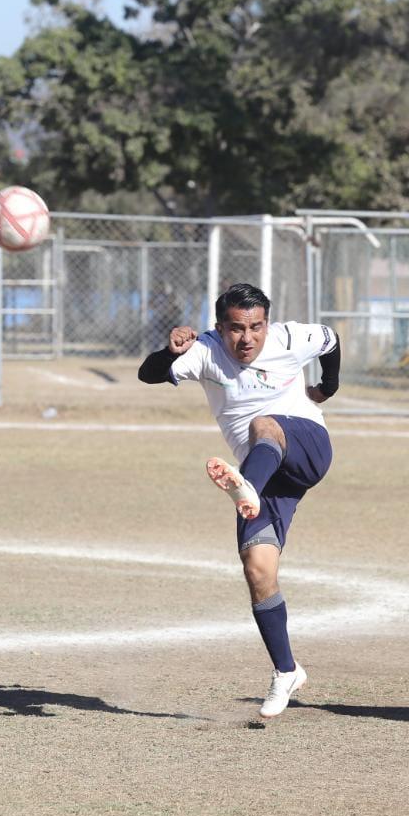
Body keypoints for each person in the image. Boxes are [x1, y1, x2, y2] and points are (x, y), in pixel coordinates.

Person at [138, 283, 341, 719]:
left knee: (264, 424)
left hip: (306, 445)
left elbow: (331, 339)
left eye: (256, 326)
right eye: (236, 328)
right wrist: (170, 353)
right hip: (261, 474)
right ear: (219, 327)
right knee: (258, 569)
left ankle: (246, 485)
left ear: (268, 322)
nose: (247, 338)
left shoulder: (289, 337)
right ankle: (286, 670)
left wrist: (327, 387)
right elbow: (147, 374)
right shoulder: (206, 350)